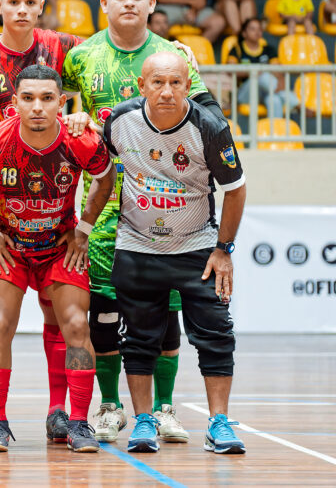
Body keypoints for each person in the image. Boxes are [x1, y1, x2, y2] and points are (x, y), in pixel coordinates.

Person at [62, 0, 222, 445]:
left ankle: (165, 409)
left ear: (152, 4)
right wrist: (76, 117)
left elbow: (208, 119)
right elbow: (51, 98)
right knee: (105, 310)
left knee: (164, 311)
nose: (129, 3)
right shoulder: (82, 57)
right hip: (106, 206)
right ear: (105, 4)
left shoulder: (174, 58)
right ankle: (110, 407)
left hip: (170, 209)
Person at [0, 0, 86, 444]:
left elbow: (113, 58)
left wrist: (83, 111)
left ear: (41, 5)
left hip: (48, 193)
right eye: (14, 2)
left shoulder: (66, 46)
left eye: (31, 2)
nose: (23, 11)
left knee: (60, 311)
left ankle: (59, 412)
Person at [0, 64, 116, 452]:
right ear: (14, 102)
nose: (37, 107)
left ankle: (77, 423)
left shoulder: (80, 140)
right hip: (9, 248)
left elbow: (107, 177)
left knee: (77, 324)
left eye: (47, 98)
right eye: (28, 98)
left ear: (61, 102)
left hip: (59, 249)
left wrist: (84, 229)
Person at [102, 52, 247, 455]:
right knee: (138, 339)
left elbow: (235, 189)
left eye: (176, 83)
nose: (167, 91)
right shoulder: (118, 121)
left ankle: (219, 422)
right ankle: (144, 421)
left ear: (189, 85)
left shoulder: (210, 127)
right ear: (141, 85)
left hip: (197, 248)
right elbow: (97, 172)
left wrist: (223, 250)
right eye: (158, 82)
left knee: (216, 334)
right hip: (137, 246)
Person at [225, 17, 298, 116]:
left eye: (259, 29)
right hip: (245, 94)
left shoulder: (268, 49)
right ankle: (297, 104)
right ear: (244, 33)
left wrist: (280, 80)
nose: (257, 32)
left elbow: (277, 70)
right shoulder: (237, 49)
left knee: (274, 100)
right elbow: (231, 70)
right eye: (252, 29)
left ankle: (276, 131)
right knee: (260, 75)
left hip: (266, 91)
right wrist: (252, 72)